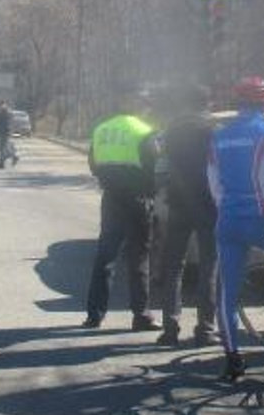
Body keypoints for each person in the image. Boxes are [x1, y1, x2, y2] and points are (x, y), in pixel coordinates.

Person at [208, 76, 264, 382]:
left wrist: (226, 207)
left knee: (227, 293)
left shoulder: (218, 136)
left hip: (229, 220)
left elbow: (214, 182)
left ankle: (233, 358)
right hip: (262, 218)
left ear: (238, 103)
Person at [83, 89, 161, 331]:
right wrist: (152, 192)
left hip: (111, 198)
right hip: (138, 199)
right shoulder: (144, 131)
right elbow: (153, 166)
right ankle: (141, 315)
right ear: (141, 107)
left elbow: (93, 164)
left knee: (105, 256)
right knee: (139, 257)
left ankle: (94, 316)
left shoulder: (101, 129)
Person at [154, 83, 219, 348]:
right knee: (209, 268)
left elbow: (162, 164)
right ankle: (205, 329)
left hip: (179, 204)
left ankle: (170, 329)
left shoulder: (172, 129)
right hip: (208, 205)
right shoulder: (214, 131)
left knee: (174, 267)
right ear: (208, 103)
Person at [0, 101, 18, 168]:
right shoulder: (5, 112)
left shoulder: (5, 112)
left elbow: (4, 123)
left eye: (1, 105)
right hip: (5, 131)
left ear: (5, 105)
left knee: (2, 148)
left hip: (5, 132)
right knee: (4, 148)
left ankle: (5, 161)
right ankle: (4, 161)